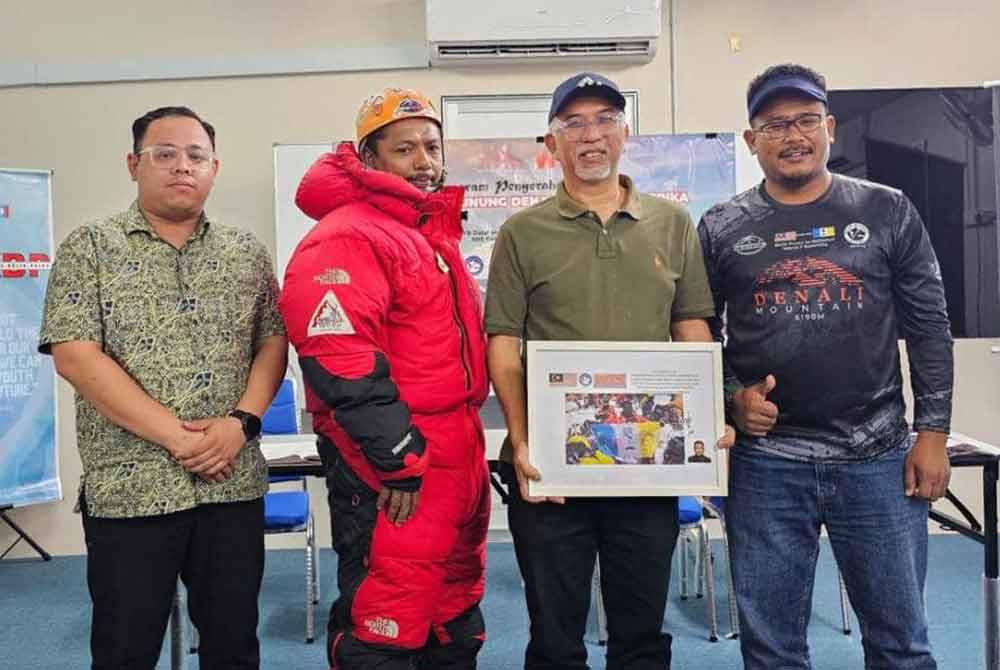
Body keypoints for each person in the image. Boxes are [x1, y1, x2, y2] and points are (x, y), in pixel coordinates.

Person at [698, 63, 953, 670]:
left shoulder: (888, 210)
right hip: (767, 467)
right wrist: (732, 396)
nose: (793, 135)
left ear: (830, 128)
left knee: (900, 645)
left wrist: (933, 435)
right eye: (775, 123)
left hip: (878, 457)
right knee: (772, 650)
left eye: (806, 120)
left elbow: (928, 327)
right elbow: (700, 332)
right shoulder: (721, 227)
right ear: (750, 138)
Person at [486, 72, 732, 670]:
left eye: (603, 120)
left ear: (626, 134)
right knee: (554, 639)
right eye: (573, 124)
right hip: (552, 469)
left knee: (642, 637)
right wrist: (519, 439)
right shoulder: (522, 232)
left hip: (645, 467)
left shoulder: (672, 225)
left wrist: (708, 416)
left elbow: (692, 327)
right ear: (552, 144)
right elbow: (504, 343)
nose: (590, 135)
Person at [38, 105, 288, 669]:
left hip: (231, 486)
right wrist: (180, 438)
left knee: (234, 646)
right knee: (125, 649)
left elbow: (272, 342)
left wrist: (241, 424)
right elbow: (76, 356)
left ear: (214, 168)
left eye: (196, 156)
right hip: (131, 491)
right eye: (165, 154)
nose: (183, 167)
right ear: (134, 164)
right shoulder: (91, 247)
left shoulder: (245, 251)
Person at [278, 88, 490, 670]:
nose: (424, 161)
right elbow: (338, 350)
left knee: (450, 614)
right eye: (405, 149)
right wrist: (398, 456)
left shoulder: (429, 235)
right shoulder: (348, 234)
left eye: (431, 146)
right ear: (369, 159)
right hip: (397, 463)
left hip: (455, 453)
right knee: (386, 617)